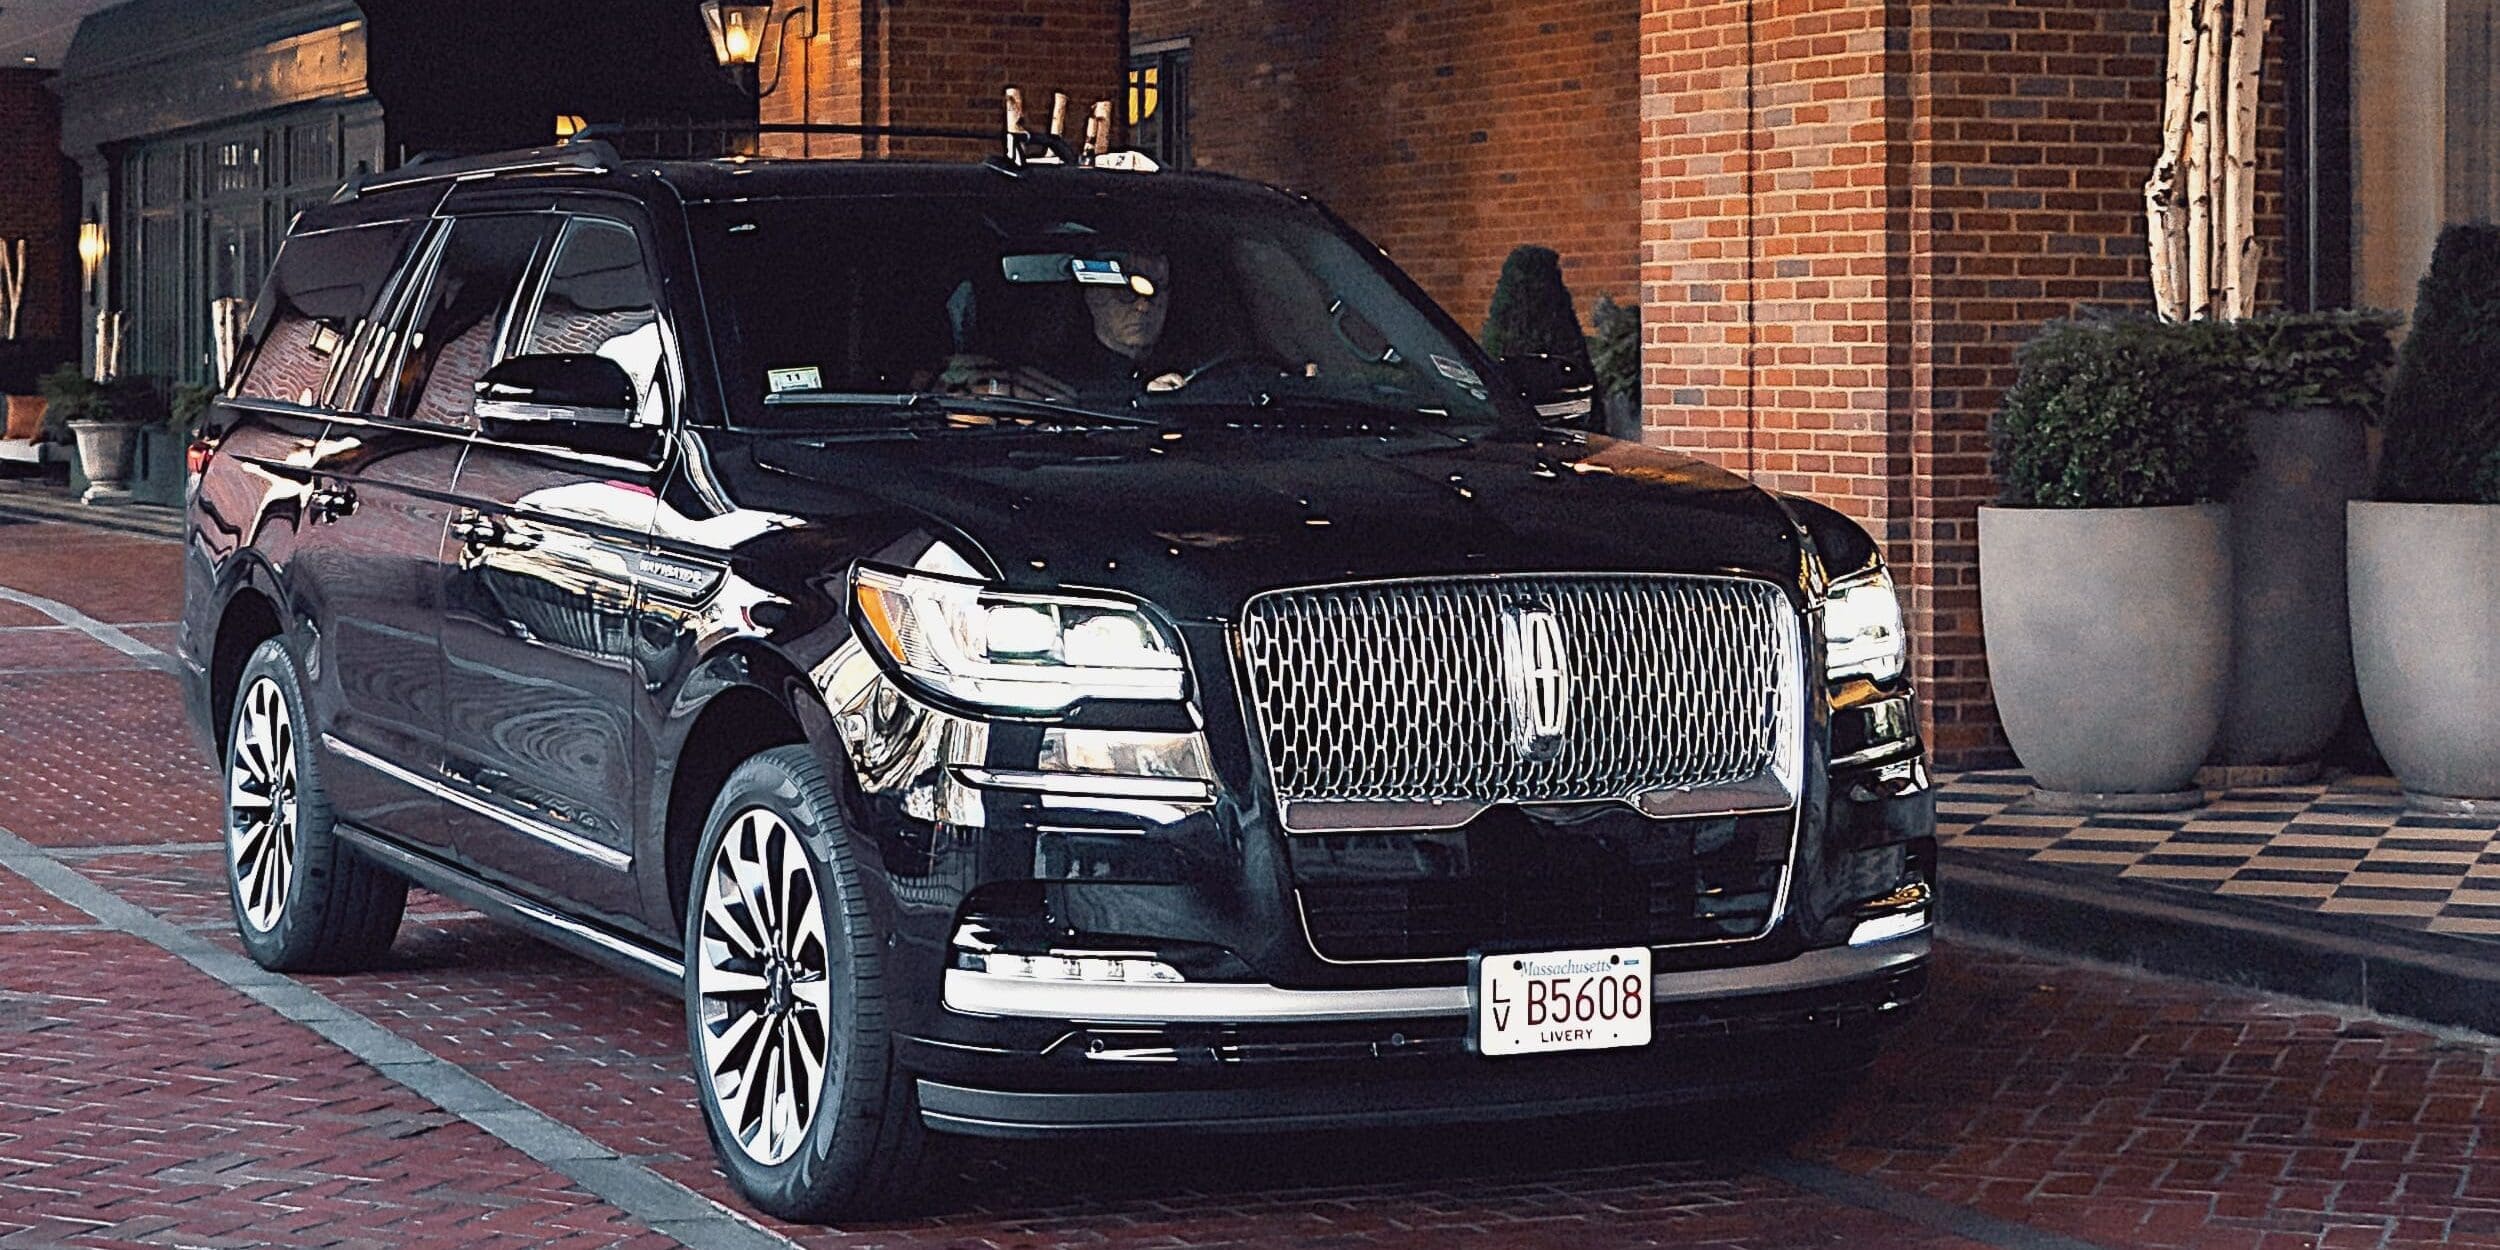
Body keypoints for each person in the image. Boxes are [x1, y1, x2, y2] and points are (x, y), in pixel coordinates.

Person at [939, 250, 1185, 401]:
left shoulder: (1200, 373)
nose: (1143, 307)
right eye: (1126, 292)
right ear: (1093, 295)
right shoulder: (1048, 374)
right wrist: (1134, 395)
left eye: (1158, 290)